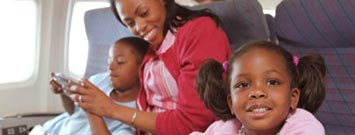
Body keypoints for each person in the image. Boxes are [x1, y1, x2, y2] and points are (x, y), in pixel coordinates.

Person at [68, 0, 231, 134]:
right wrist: (92, 105)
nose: (139, 27)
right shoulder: (153, 49)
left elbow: (194, 122)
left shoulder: (200, 31)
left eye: (144, 13)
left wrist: (111, 109)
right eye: (130, 23)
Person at [193, 41, 326, 134]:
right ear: (231, 103)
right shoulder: (224, 129)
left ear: (293, 97)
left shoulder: (304, 125)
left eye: (272, 82)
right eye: (243, 85)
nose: (257, 92)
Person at [42, 37, 149, 135]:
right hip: (51, 129)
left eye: (120, 62)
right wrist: (64, 91)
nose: (110, 67)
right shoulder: (100, 80)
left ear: (142, 68)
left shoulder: (137, 112)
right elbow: (74, 113)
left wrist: (92, 109)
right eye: (109, 61)